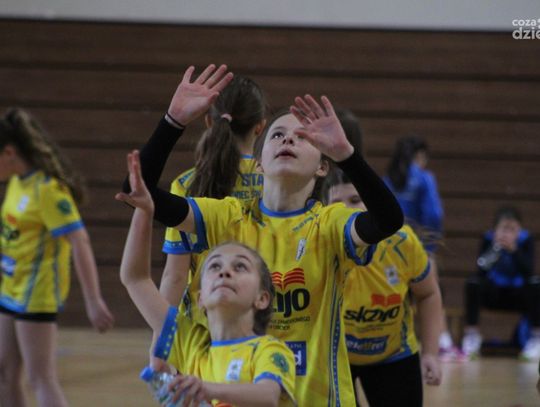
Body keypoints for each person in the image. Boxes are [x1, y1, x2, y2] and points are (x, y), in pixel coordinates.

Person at [118, 64, 403, 406]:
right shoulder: (226, 217)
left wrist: (349, 157)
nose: (288, 140)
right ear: (259, 162)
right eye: (278, 135)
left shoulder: (329, 224)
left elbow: (389, 220)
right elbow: (138, 191)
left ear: (322, 166)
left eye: (302, 137)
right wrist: (172, 122)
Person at [119, 154, 296, 406]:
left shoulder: (270, 350)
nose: (225, 272)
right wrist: (144, 211)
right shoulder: (189, 342)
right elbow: (135, 278)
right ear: (200, 297)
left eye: (240, 266)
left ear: (262, 298)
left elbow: (267, 396)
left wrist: (207, 389)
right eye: (214, 266)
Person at [0, 109, 114, 407]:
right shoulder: (16, 183)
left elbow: (79, 239)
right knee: (5, 373)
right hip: (10, 288)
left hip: (36, 293)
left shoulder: (48, 190)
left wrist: (93, 299)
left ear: (9, 153)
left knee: (40, 378)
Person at [325, 166, 443, 407]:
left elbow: (429, 294)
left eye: (355, 200)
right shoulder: (317, 244)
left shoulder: (402, 242)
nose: (346, 210)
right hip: (334, 358)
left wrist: (431, 353)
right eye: (336, 203)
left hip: (394, 355)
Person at [384, 136, 462, 361]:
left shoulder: (388, 179)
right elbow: (434, 214)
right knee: (431, 291)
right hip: (417, 244)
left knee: (393, 293)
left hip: (389, 246)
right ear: (420, 156)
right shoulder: (424, 178)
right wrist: (430, 246)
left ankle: (393, 339)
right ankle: (442, 341)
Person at [462, 206, 539, 360]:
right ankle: (472, 336)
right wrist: (496, 248)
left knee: (536, 284)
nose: (507, 233)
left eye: (512, 229)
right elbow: (481, 270)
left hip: (518, 294)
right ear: (495, 229)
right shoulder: (488, 239)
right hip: (494, 292)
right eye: (504, 228)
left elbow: (528, 271)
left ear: (519, 230)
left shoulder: (526, 240)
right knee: (473, 283)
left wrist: (514, 250)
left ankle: (536, 338)